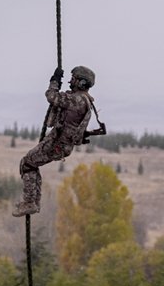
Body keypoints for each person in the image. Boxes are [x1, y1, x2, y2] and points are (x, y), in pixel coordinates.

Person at [13, 65, 105, 217]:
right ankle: (32, 202)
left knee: (28, 164)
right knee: (31, 164)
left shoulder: (78, 100)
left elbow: (52, 96)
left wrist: (54, 81)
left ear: (81, 83)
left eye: (73, 79)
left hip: (56, 144)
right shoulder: (83, 101)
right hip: (57, 143)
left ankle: (30, 202)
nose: (70, 81)